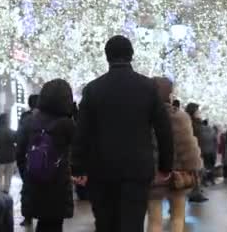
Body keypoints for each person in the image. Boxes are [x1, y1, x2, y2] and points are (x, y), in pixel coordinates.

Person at [71, 35, 174, 232]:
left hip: (101, 170)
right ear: (131, 55)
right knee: (133, 224)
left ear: (107, 56)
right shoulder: (148, 87)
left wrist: (78, 167)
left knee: (105, 224)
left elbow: (82, 131)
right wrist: (165, 166)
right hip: (137, 169)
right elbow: (163, 129)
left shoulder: (93, 89)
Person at [17, 79, 76, 232]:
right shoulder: (66, 124)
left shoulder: (29, 121)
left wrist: (28, 175)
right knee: (53, 225)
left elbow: (19, 153)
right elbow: (79, 148)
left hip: (34, 182)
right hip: (57, 184)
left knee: (43, 224)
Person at [147, 77, 203, 232]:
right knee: (178, 218)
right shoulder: (180, 116)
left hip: (153, 175)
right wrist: (194, 168)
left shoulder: (143, 116)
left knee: (154, 220)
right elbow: (189, 148)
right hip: (178, 175)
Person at [16, 94, 38, 227]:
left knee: (28, 189)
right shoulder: (51, 117)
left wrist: (20, 160)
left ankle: (28, 217)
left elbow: (21, 140)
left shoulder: (26, 118)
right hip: (46, 160)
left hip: (29, 159)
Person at [185, 103, 209, 203]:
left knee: (197, 172)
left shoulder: (195, 122)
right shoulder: (189, 122)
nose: (199, 113)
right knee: (194, 172)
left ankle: (195, 192)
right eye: (197, 111)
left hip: (198, 149)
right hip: (193, 150)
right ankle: (194, 193)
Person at [0, 113, 17, 194]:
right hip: (11, 158)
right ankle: (6, 191)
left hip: (0, 158)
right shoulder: (13, 132)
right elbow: (17, 144)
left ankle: (1, 192)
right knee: (8, 178)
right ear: (8, 122)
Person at [198, 119, 218, 186]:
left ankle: (204, 181)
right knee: (211, 167)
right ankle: (212, 180)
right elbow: (216, 142)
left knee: (205, 167)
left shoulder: (199, 131)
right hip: (212, 152)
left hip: (203, 152)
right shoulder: (212, 131)